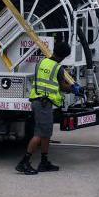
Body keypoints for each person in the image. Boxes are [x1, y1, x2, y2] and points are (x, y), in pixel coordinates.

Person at [17, 36, 73, 175]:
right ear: (64, 56)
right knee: (39, 134)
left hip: (38, 101)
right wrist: (74, 88)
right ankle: (24, 162)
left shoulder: (41, 63)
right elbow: (62, 87)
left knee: (46, 133)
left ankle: (44, 161)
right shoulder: (58, 68)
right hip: (43, 103)